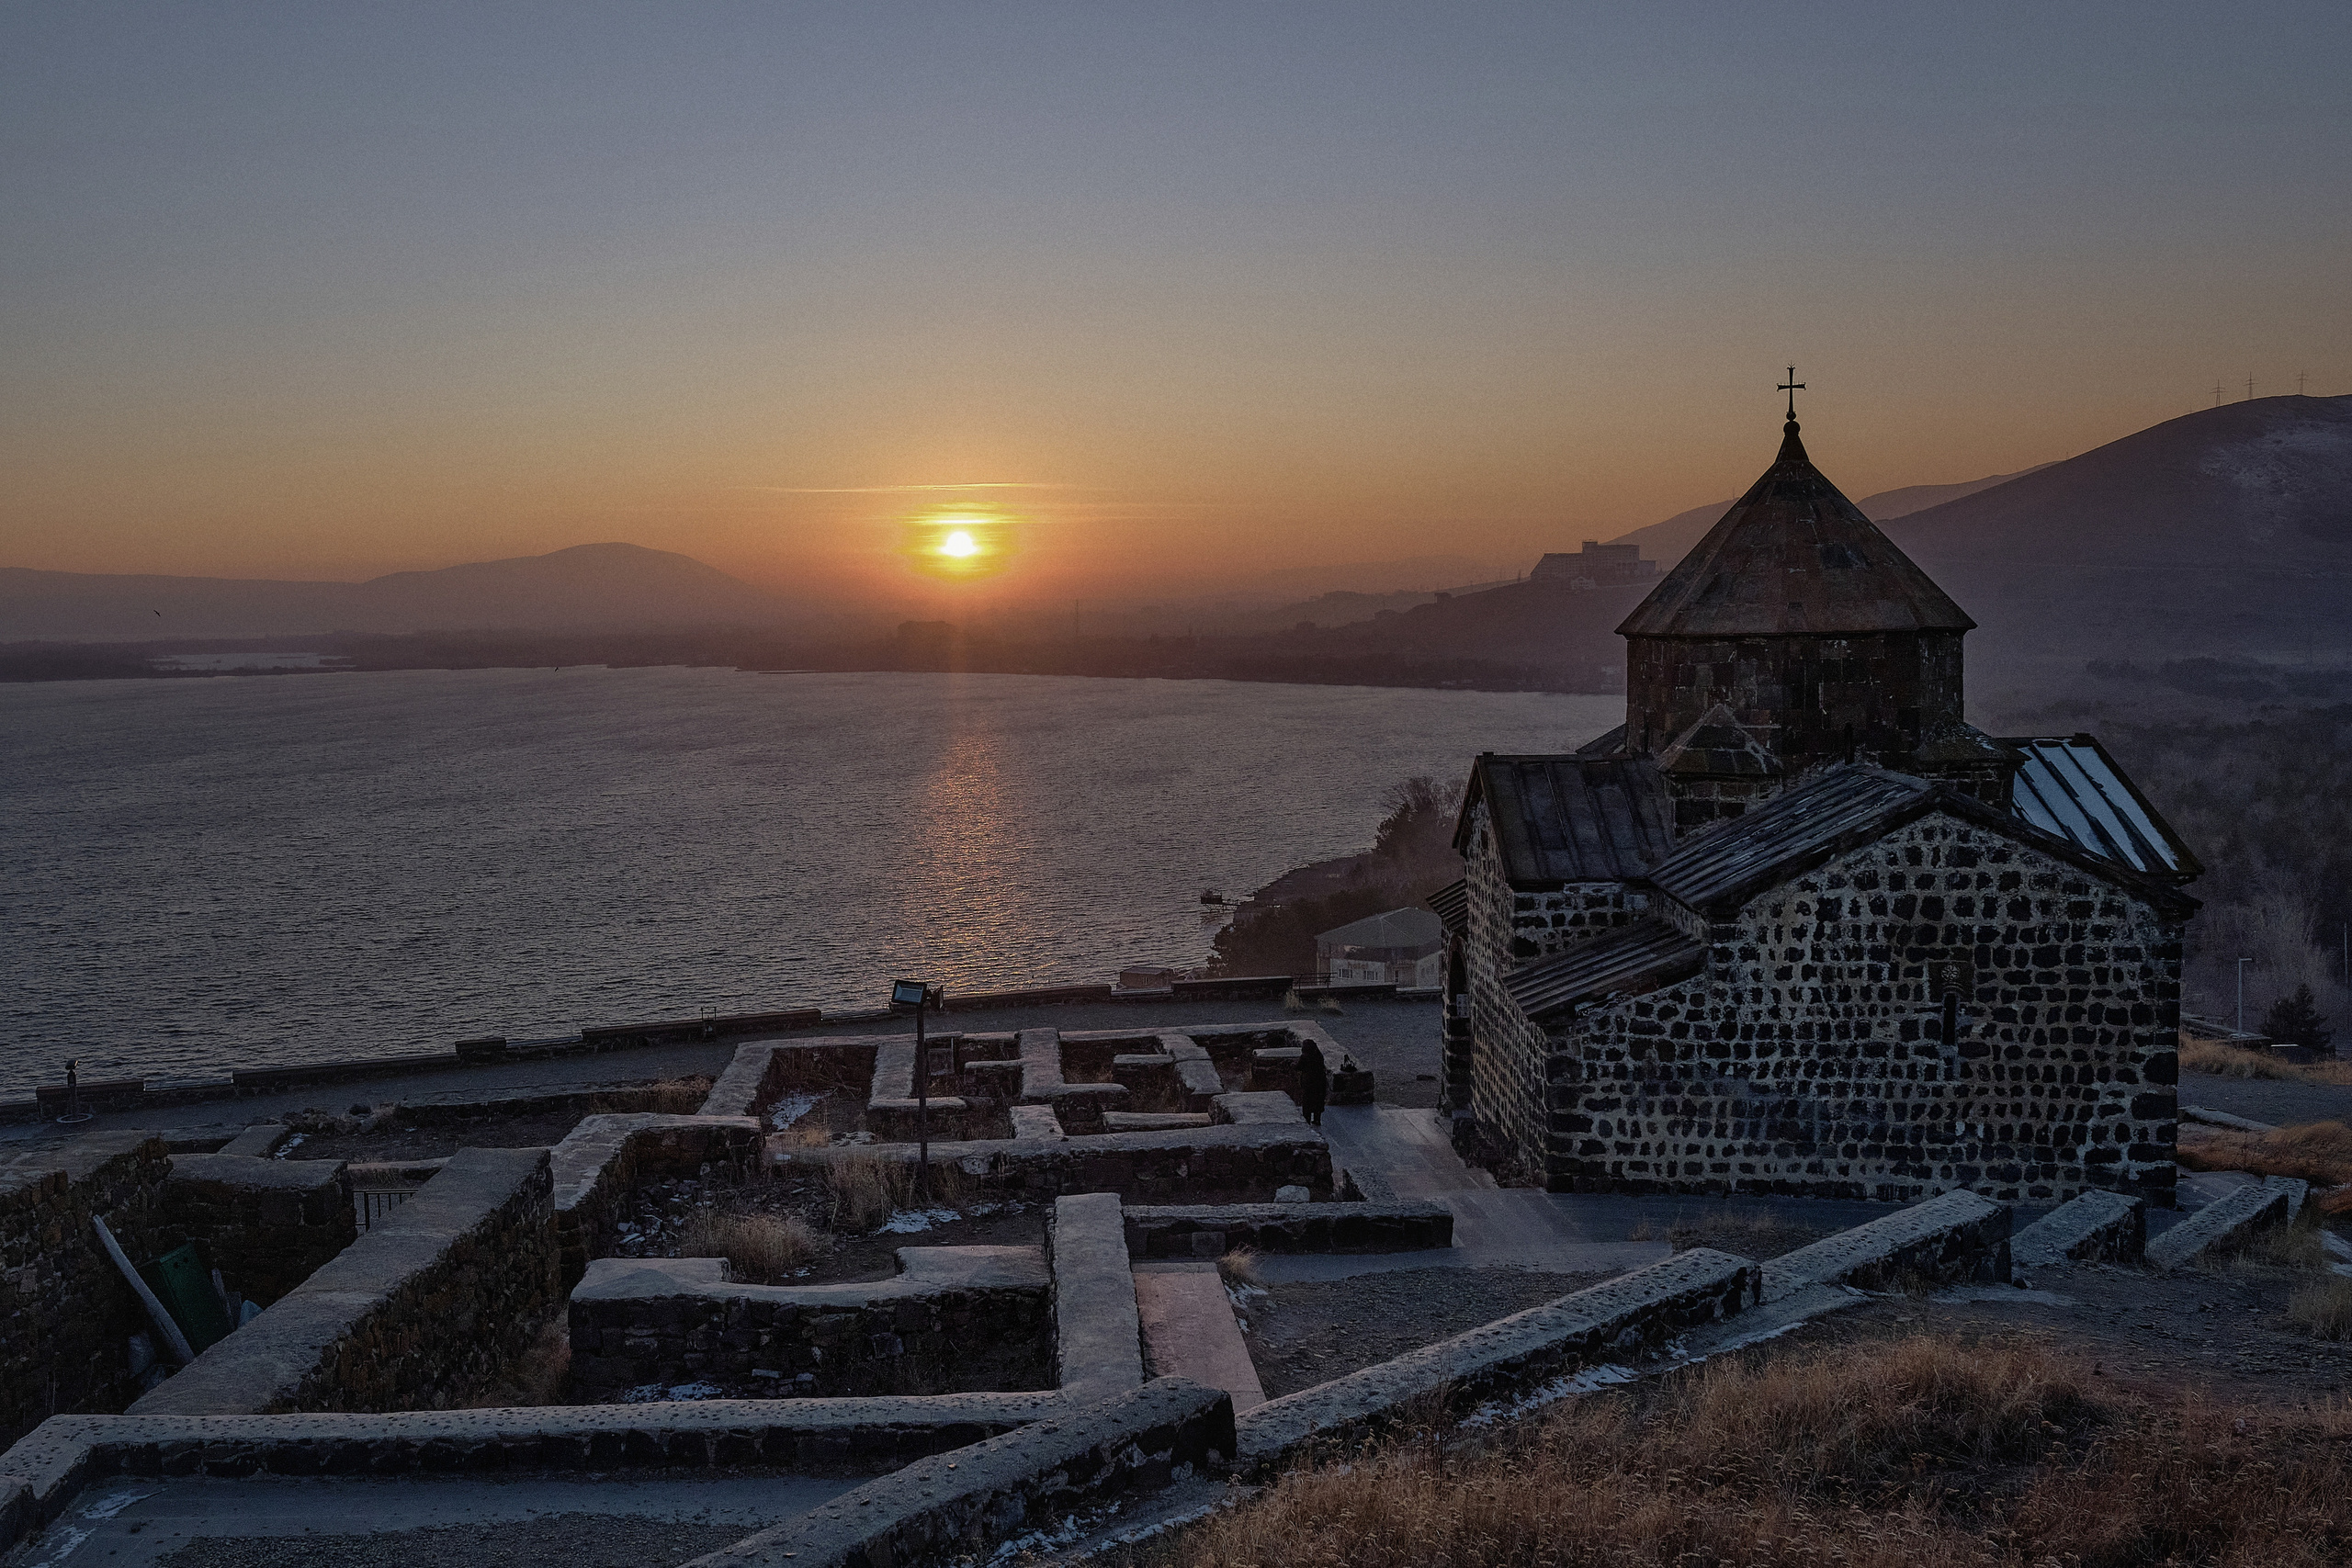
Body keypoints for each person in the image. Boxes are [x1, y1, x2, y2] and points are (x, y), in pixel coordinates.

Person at [1296, 1039, 1329, 1127]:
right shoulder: (1319, 1055)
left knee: (1307, 1102)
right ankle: (1317, 1119)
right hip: (1319, 1082)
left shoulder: (1304, 1057)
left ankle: (1307, 1120)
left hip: (1308, 1083)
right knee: (1318, 1101)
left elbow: (1298, 1067)